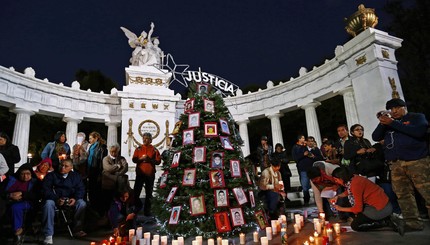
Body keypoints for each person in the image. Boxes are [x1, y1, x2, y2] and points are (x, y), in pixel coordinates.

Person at [372, 98, 430, 234]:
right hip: (396, 164)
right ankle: (413, 223)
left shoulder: (416, 117)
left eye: (397, 108)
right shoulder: (388, 123)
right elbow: (375, 137)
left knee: (427, 193)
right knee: (403, 195)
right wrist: (383, 122)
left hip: (417, 161)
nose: (394, 111)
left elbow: (419, 132)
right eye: (391, 109)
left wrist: (393, 123)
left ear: (404, 107)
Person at [330, 166, 400, 234]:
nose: (336, 182)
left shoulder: (355, 184)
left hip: (381, 208)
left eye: (336, 179)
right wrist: (338, 196)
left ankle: (384, 223)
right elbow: (349, 191)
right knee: (356, 215)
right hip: (375, 205)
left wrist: (340, 208)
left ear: (341, 178)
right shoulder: (353, 179)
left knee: (355, 225)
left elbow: (358, 208)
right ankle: (383, 219)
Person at [41, 159, 87, 244]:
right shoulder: (51, 175)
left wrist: (75, 198)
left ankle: (77, 229)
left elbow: (81, 189)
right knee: (48, 204)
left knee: (82, 203)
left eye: (66, 166)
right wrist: (56, 199)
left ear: (71, 167)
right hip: (55, 199)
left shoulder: (76, 176)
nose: (63, 168)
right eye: (61, 165)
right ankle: (48, 234)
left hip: (70, 199)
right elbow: (46, 190)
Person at [2, 163, 40, 243]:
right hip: (7, 201)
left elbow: (37, 195)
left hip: (26, 202)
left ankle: (17, 233)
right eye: (22, 174)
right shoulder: (10, 179)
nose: (25, 176)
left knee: (16, 208)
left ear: (31, 174)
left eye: (28, 174)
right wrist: (9, 195)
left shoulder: (35, 182)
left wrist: (23, 194)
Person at [132, 132, 161, 217]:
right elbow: (134, 159)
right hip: (140, 174)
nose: (145, 140)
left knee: (149, 193)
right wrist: (140, 159)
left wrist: (149, 160)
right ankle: (137, 208)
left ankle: (147, 211)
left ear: (151, 140)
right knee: (136, 192)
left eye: (147, 138)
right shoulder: (138, 149)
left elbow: (158, 161)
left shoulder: (154, 150)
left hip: (150, 174)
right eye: (144, 138)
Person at [292, 135, 323, 206]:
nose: (310, 143)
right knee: (305, 187)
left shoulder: (316, 149)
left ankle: (318, 200)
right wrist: (303, 154)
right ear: (306, 142)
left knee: (316, 186)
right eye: (309, 141)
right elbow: (296, 158)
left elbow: (320, 159)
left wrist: (314, 157)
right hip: (304, 170)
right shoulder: (301, 148)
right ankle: (306, 200)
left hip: (314, 170)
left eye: (312, 141)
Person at [101, 144, 129, 217]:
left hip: (119, 184)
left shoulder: (121, 158)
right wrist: (118, 166)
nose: (113, 153)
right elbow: (108, 168)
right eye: (112, 152)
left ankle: (122, 216)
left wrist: (119, 173)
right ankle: (107, 217)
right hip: (108, 183)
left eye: (115, 152)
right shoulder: (106, 159)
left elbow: (125, 167)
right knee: (108, 201)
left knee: (121, 200)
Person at [86, 131, 107, 215]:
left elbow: (101, 162)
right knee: (91, 191)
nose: (89, 140)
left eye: (91, 138)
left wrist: (100, 174)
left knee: (96, 191)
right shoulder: (91, 147)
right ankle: (93, 208)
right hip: (91, 170)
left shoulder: (102, 147)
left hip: (97, 171)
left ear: (96, 138)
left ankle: (98, 210)